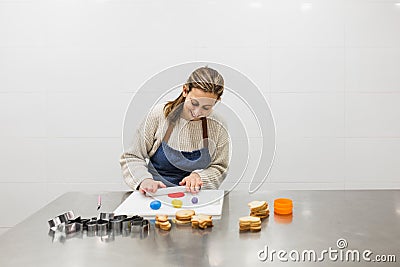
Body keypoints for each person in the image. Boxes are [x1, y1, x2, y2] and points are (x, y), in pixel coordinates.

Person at [120, 66, 230, 194]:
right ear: (185, 91)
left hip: (198, 200)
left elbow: (220, 167)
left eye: (206, 108)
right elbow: (132, 157)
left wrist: (200, 177)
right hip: (156, 197)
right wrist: (144, 180)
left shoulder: (218, 125)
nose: (197, 112)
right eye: (194, 103)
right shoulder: (158, 115)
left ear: (216, 101)